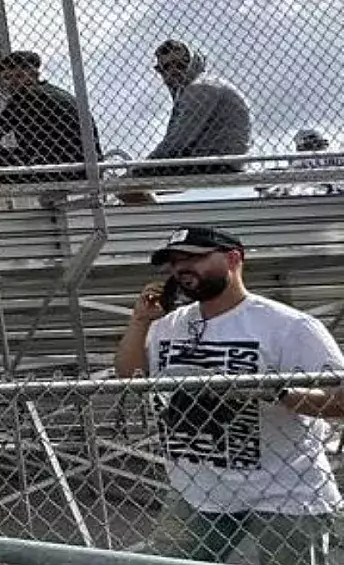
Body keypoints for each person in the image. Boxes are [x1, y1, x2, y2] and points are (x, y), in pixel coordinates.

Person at [114, 226, 344, 563]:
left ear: (234, 259)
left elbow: (339, 400)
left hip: (285, 495)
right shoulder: (167, 325)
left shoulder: (289, 326)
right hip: (196, 491)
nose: (181, 269)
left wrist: (275, 391)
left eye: (194, 258)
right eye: (175, 262)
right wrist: (140, 321)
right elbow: (129, 376)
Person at [122, 41, 251, 204]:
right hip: (210, 160)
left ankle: (158, 220)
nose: (173, 71)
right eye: (165, 67)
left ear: (192, 63)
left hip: (214, 163)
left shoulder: (199, 89)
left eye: (180, 64)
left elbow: (176, 143)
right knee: (135, 184)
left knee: (125, 186)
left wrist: (134, 172)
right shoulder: (191, 90)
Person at [0, 50, 99, 186]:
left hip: (58, 169)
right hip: (86, 167)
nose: (11, 83)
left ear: (33, 74)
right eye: (7, 78)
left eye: (18, 76)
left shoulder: (26, 96)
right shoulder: (54, 92)